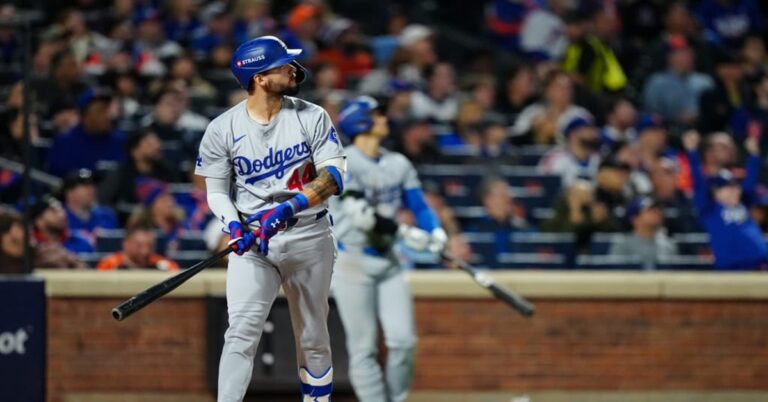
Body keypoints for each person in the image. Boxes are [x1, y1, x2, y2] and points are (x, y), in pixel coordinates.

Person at [195, 36, 345, 402]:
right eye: (282, 65)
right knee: (241, 331)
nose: (292, 69)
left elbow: (334, 178)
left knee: (312, 335)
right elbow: (216, 192)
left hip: (309, 234)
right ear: (259, 77)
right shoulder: (222, 128)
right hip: (255, 240)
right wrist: (233, 226)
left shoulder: (312, 115)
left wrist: (287, 209)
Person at [329, 96, 447, 402]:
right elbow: (362, 216)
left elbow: (418, 204)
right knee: (364, 348)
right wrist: (407, 234)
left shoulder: (398, 162)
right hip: (352, 261)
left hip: (388, 259)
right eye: (377, 114)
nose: (383, 118)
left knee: (403, 341)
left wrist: (435, 231)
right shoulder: (341, 160)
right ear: (360, 121)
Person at [683, 130, 768, 270]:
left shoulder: (744, 204)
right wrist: (692, 153)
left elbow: (750, 183)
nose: (734, 190)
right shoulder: (709, 209)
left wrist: (754, 155)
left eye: (735, 186)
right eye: (726, 187)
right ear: (715, 192)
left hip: (760, 265)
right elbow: (698, 184)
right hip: (731, 269)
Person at [609, 197, 678, 270]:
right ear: (634, 219)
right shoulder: (622, 244)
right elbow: (616, 274)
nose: (656, 213)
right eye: (650, 210)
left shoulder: (669, 246)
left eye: (657, 210)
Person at [61, 169, 119, 241]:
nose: (92, 189)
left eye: (93, 185)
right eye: (86, 185)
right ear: (70, 193)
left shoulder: (107, 216)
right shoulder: (59, 219)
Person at [96, 224, 180, 271]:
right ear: (126, 244)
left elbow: (175, 273)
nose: (145, 251)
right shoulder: (109, 265)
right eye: (139, 246)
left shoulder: (163, 265)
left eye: (149, 246)